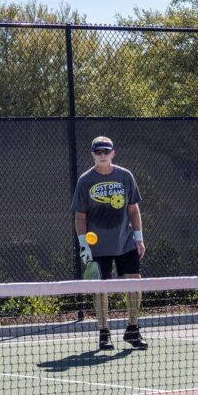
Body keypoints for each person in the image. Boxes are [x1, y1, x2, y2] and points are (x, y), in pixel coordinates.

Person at [71, 136, 148, 351]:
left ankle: (133, 329)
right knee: (100, 288)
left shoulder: (125, 176)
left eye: (106, 151)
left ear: (113, 153)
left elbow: (133, 209)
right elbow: (80, 216)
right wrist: (83, 245)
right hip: (97, 247)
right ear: (93, 154)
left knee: (135, 284)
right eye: (98, 152)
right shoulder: (85, 180)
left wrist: (139, 238)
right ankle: (104, 333)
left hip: (126, 243)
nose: (102, 155)